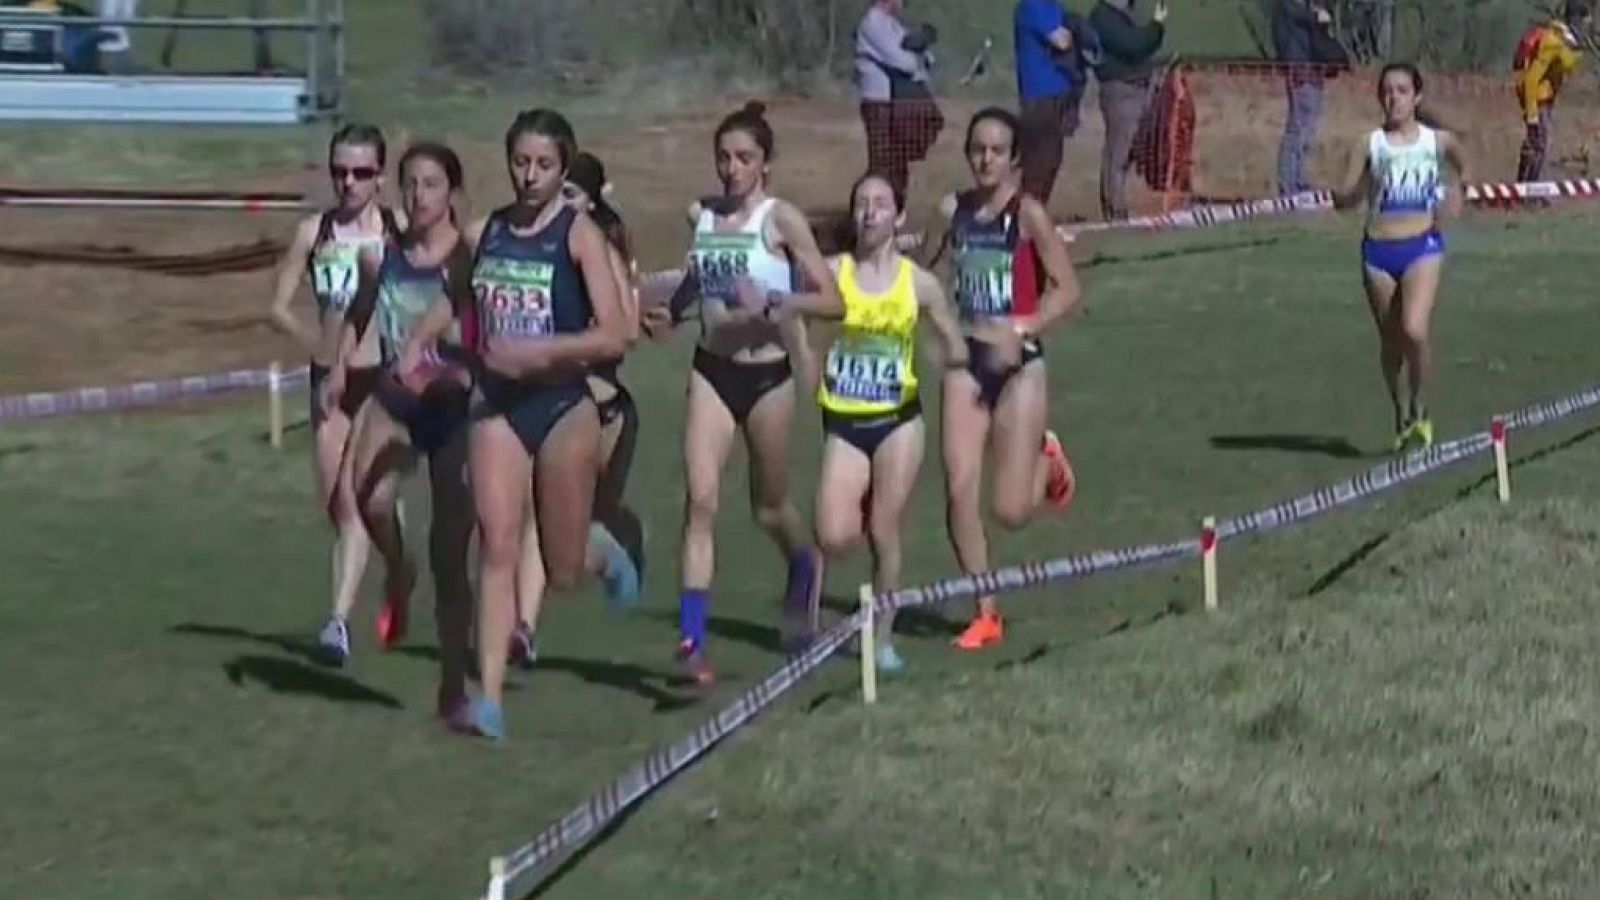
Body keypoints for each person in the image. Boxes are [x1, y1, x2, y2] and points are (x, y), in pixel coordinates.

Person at [396, 109, 637, 740]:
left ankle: (601, 552)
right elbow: (455, 294)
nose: (529, 176)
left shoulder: (579, 235)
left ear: (564, 168)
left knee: (561, 570)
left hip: (562, 406)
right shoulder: (487, 231)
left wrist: (539, 353)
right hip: (496, 405)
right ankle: (490, 698)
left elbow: (616, 333)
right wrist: (416, 344)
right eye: (520, 162)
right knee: (496, 544)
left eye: (544, 165)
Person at [735, 171, 967, 674]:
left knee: (885, 529)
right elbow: (794, 315)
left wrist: (955, 359)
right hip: (843, 419)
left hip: (897, 420)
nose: (868, 212)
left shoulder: (918, 284)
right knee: (834, 535)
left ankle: (882, 637)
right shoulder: (834, 273)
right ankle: (861, 503)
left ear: (898, 216)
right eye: (861, 202)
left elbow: (953, 342)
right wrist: (805, 360)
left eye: (880, 203)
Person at [642, 101, 841, 687]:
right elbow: (699, 278)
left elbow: (833, 300)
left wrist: (778, 304)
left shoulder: (781, 222)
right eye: (724, 158)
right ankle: (691, 640)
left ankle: (803, 564)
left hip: (768, 376)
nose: (731, 169)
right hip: (713, 369)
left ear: (765, 166)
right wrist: (673, 314)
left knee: (768, 507)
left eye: (744, 158)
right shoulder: (700, 214)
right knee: (700, 500)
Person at [323, 141, 476, 731]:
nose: (418, 196)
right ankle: (397, 569)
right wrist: (340, 367)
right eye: (410, 184)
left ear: (452, 193)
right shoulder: (380, 258)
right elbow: (361, 312)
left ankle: (452, 688)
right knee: (368, 499)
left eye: (432, 184)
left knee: (451, 554)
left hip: (454, 406)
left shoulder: (468, 260)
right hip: (395, 398)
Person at [938, 107, 1081, 652]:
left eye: (997, 150)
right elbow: (926, 274)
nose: (985, 159)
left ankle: (1047, 459)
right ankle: (986, 611)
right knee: (958, 488)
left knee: (1011, 511)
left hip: (1020, 365)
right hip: (966, 364)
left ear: (1015, 158)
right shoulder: (952, 211)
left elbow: (1067, 290)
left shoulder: (1028, 216)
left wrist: (1021, 328)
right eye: (977, 148)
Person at [265, 122, 404, 666]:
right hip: (333, 383)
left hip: (387, 383)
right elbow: (276, 306)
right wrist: (317, 344)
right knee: (340, 504)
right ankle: (351, 613)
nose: (349, 182)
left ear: (381, 177)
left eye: (362, 173)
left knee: (369, 502)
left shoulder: (399, 231)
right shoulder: (313, 233)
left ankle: (355, 607)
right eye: (340, 172)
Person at [509, 150, 646, 669]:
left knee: (569, 524)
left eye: (570, 194)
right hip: (542, 401)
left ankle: (616, 555)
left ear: (588, 200)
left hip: (599, 407)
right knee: (532, 517)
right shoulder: (536, 250)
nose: (557, 202)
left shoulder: (601, 250)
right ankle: (523, 629)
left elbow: (625, 334)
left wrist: (564, 348)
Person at [1332, 63, 1469, 452]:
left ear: (1417, 97)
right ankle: (1401, 409)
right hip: (1378, 251)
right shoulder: (1369, 144)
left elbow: (1464, 163)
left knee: (1414, 330)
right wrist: (1342, 195)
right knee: (1391, 342)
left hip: (1422, 247)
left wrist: (1457, 195)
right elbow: (1348, 196)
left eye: (1403, 90)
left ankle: (1421, 406)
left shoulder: (1436, 141)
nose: (1394, 98)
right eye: (1388, 91)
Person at [853, 0, 945, 198]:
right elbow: (904, 63)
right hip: (878, 102)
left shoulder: (892, 24)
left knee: (898, 163)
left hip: (895, 102)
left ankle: (894, 208)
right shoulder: (872, 23)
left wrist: (919, 47)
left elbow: (928, 61)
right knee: (881, 164)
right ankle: (869, 206)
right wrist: (917, 52)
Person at [1088, 0, 1168, 220]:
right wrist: (1156, 26)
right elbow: (1134, 46)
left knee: (1126, 152)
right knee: (1119, 154)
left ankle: (1118, 206)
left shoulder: (1116, 18)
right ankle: (1115, 211)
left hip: (1131, 90)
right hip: (1122, 92)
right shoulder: (1104, 17)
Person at [1014, 0, 1098, 206]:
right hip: (1040, 94)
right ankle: (1024, 218)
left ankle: (1036, 213)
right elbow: (1061, 40)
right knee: (1038, 163)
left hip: (1062, 92)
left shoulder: (1054, 7)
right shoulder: (1033, 6)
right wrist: (1075, 30)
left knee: (1052, 160)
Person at [1272, 0, 1347, 196]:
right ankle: (1288, 184)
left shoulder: (1300, 8)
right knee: (1298, 129)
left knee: (1307, 129)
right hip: (1300, 71)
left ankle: (1297, 178)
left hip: (1311, 71)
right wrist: (1317, 16)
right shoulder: (1290, 8)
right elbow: (1303, 18)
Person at [1514, 0, 1591, 183]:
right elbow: (1532, 77)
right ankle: (1529, 191)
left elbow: (1566, 64)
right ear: (1575, 20)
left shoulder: (1566, 41)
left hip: (1545, 100)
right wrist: (1531, 112)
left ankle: (1523, 188)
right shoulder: (1553, 41)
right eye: (1585, 22)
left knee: (1535, 143)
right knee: (1539, 145)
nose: (1587, 27)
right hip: (1537, 100)